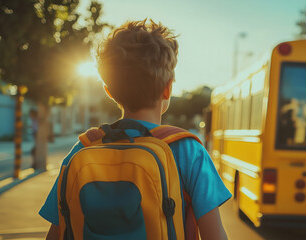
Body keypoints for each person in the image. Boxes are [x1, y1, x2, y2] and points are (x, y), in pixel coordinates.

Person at [39, 19, 231, 240]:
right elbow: (213, 235)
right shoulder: (189, 151)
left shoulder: (84, 146)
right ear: (168, 89)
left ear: (109, 91)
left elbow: (57, 231)